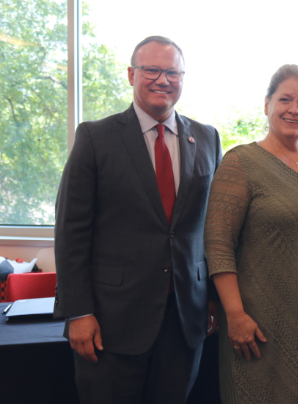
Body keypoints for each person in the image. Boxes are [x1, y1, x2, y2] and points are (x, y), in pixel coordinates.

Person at [54, 36, 221, 404]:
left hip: (184, 319)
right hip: (113, 322)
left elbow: (212, 228)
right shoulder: (96, 137)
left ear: (183, 78)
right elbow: (71, 232)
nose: (163, 80)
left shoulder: (207, 138)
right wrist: (78, 311)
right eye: (152, 70)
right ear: (132, 74)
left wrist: (212, 296)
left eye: (173, 72)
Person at [204, 64, 298, 404]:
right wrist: (234, 315)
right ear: (267, 104)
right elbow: (218, 243)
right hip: (257, 323)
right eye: (285, 99)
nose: (294, 109)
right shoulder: (240, 162)